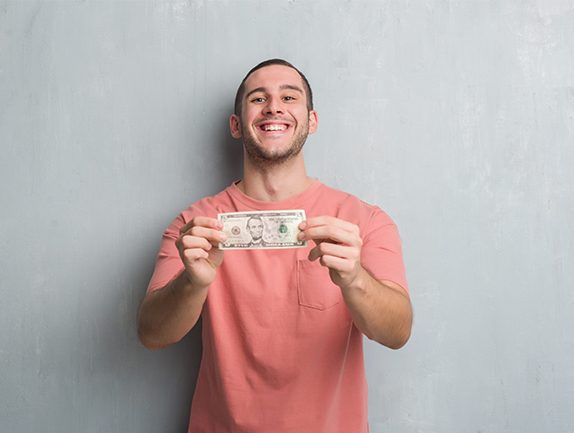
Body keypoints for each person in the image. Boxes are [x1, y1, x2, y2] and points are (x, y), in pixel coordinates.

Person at [137, 59, 413, 433]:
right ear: (236, 125)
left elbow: (398, 332)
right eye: (258, 98)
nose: (273, 107)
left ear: (311, 121)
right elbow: (151, 334)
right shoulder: (194, 227)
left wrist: (355, 279)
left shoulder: (364, 221)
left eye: (288, 96)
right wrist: (193, 282)